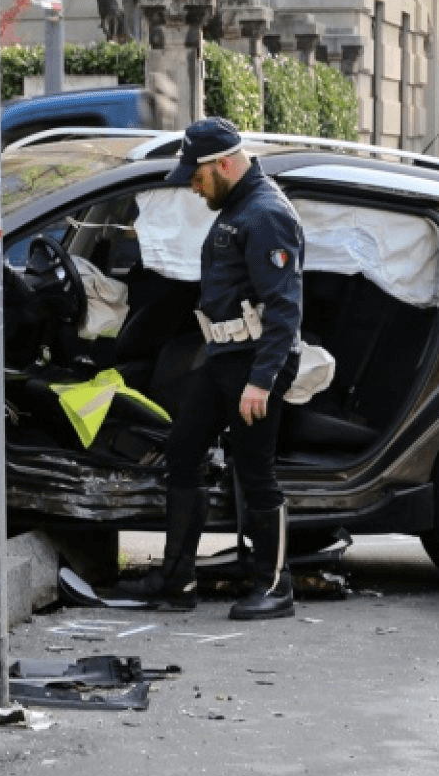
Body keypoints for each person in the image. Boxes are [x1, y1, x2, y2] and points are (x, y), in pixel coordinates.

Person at [116, 117, 303, 621]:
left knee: (255, 471)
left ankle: (274, 585)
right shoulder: (238, 207)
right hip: (224, 358)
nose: (195, 189)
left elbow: (285, 309)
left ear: (224, 164)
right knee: (182, 450)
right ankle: (178, 579)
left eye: (197, 178)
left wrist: (262, 380)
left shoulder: (265, 215)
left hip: (255, 362)